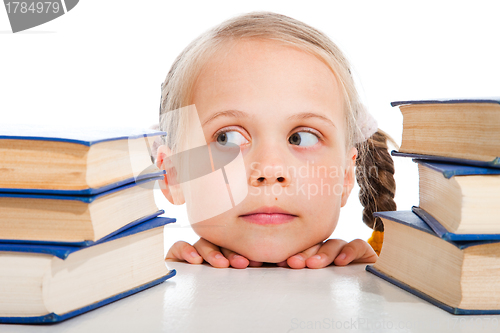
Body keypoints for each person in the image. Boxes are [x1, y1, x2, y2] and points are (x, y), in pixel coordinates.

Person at [156, 11, 396, 269]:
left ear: (347, 176)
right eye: (227, 138)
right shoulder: (157, 281)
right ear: (174, 176)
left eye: (301, 137)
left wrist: (380, 270)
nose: (270, 171)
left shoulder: (372, 273)